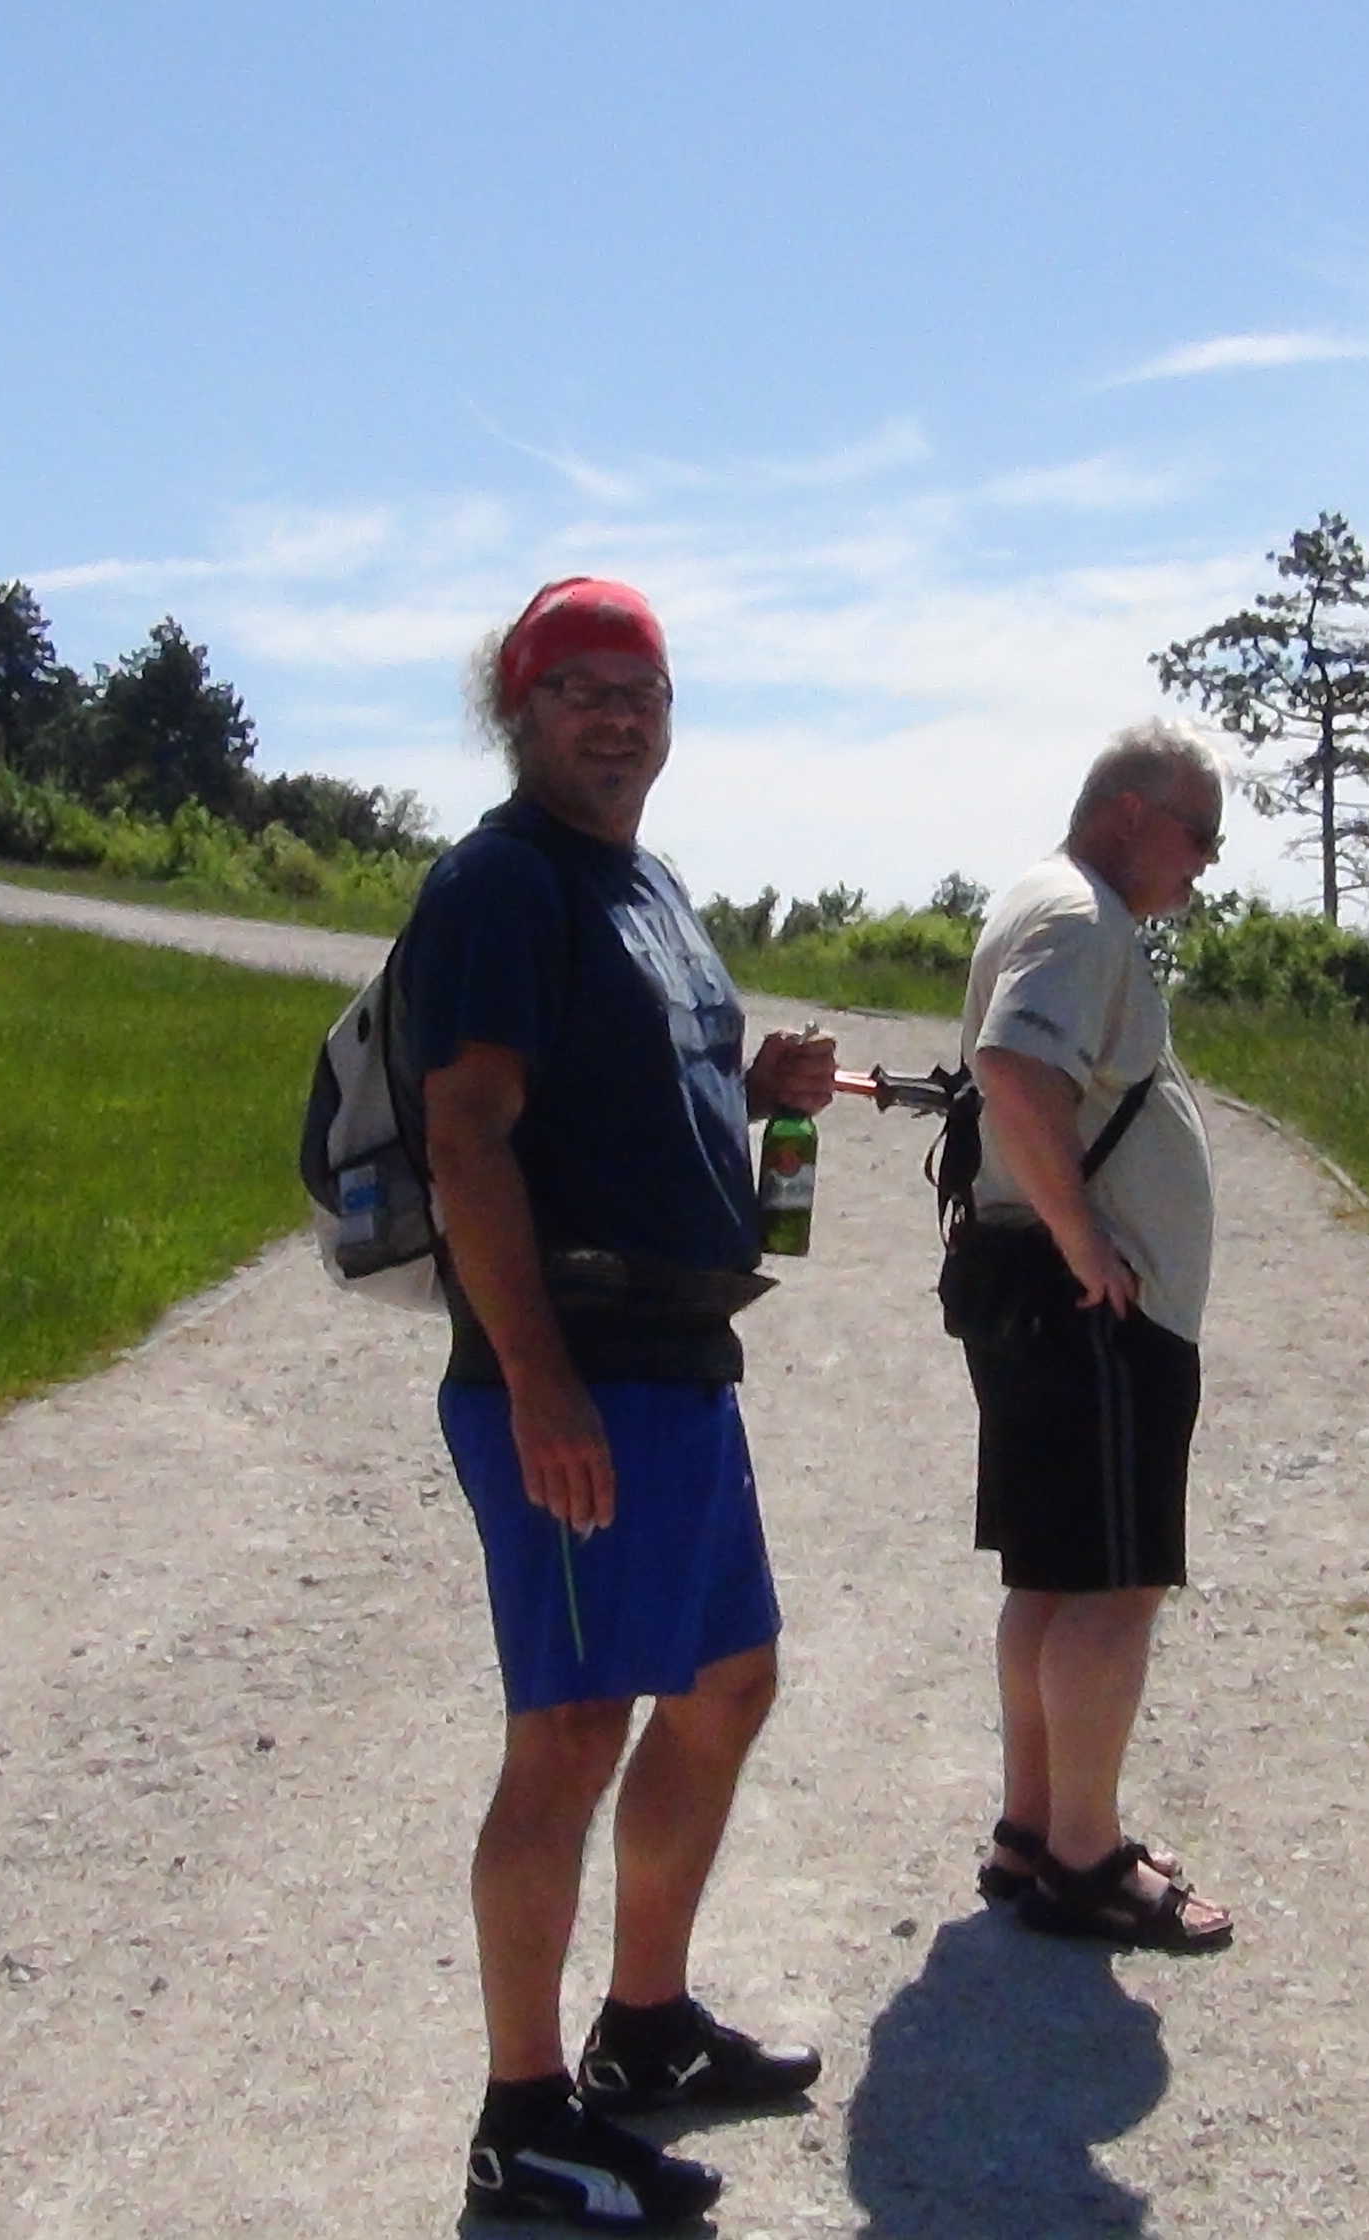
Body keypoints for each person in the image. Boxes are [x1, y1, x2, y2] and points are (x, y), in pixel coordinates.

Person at [399, 575, 839, 2232]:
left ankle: (643, 2029)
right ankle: (519, 2125)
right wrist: (535, 1384)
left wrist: (756, 1090)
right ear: (514, 713)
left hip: (678, 1363)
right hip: (575, 1371)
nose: (616, 717)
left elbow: (634, 1086)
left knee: (726, 1684)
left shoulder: (643, 887)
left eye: (640, 691)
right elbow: (466, 1133)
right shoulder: (499, 884)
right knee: (572, 1732)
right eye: (578, 689)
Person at [953, 718, 1236, 1954]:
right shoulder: (1080, 916)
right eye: (1201, 835)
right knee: (1115, 1585)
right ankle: (1084, 1857)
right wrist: (1088, 1244)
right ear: (1132, 812)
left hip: (1042, 1298)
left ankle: (1034, 1829)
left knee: (1052, 1575)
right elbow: (1016, 1070)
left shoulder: (1046, 898)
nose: (1207, 863)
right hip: (1097, 1314)